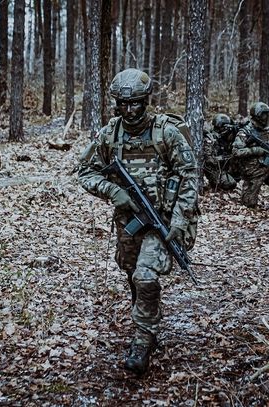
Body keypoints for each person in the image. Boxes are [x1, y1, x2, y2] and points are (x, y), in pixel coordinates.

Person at [77, 68, 199, 375]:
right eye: (123, 104)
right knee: (133, 274)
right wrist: (112, 190)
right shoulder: (109, 135)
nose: (130, 111)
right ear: (116, 104)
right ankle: (147, 318)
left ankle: (142, 341)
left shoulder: (165, 133)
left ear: (147, 101)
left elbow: (189, 176)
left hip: (164, 219)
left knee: (145, 275)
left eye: (137, 104)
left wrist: (181, 219)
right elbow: (85, 173)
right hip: (129, 221)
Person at [203, 113, 238, 191]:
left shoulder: (226, 138)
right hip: (213, 169)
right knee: (230, 184)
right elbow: (209, 160)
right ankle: (215, 184)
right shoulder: (210, 139)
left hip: (223, 168)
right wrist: (223, 158)